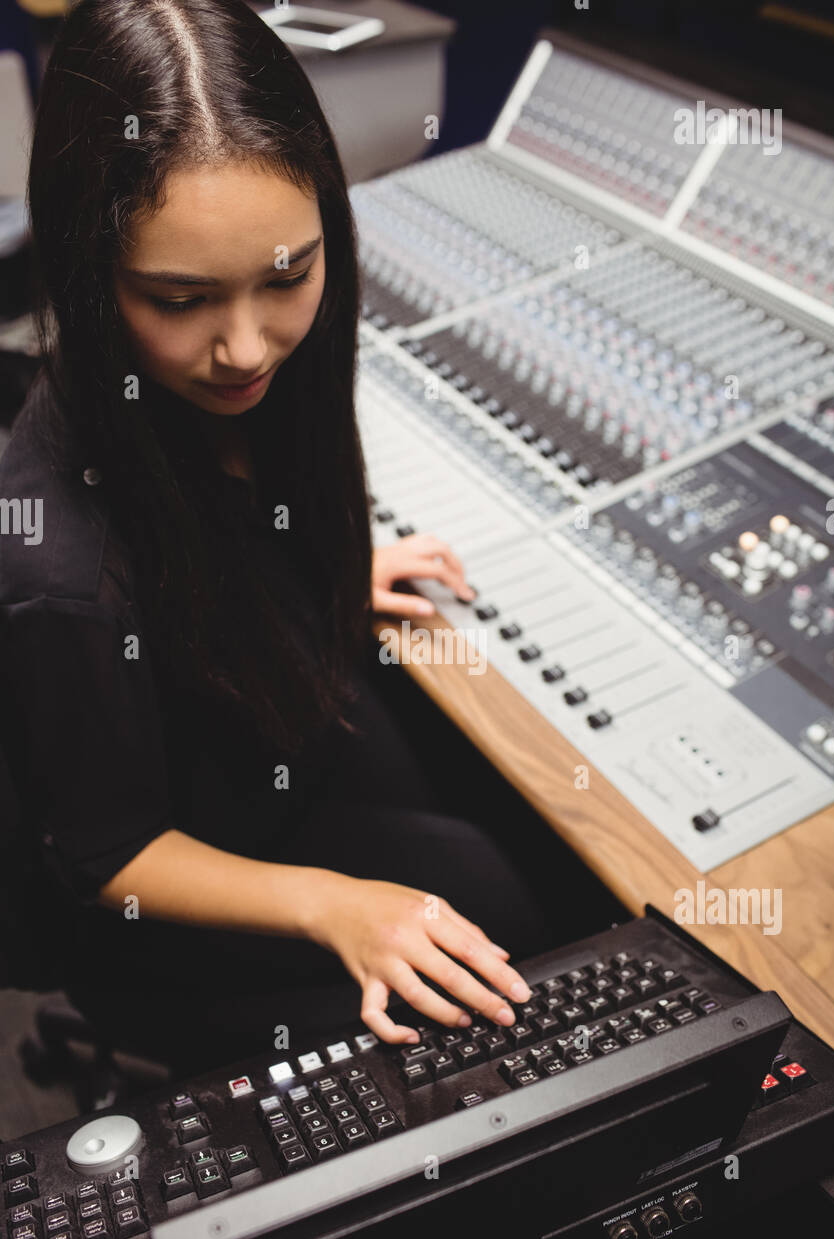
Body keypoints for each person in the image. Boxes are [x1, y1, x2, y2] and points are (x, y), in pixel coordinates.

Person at [0, 0, 568, 1075]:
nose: (248, 348)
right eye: (181, 299)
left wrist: (312, 571)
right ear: (86, 268)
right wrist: (334, 906)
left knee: (505, 834)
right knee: (508, 906)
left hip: (245, 747)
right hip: (157, 900)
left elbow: (212, 534)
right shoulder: (59, 574)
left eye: (286, 276)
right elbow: (106, 854)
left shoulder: (232, 383)